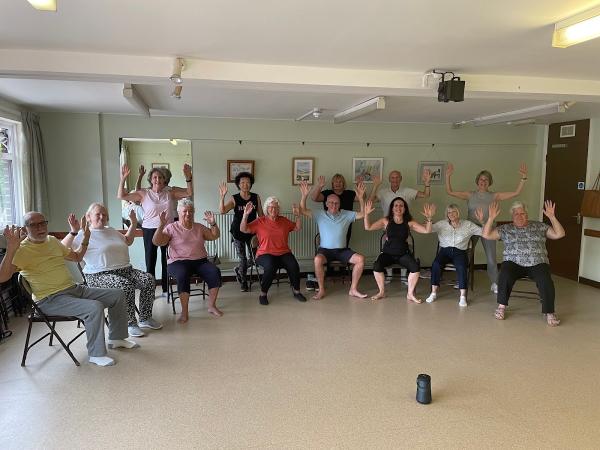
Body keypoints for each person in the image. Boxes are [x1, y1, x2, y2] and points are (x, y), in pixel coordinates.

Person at [0, 212, 138, 367]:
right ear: (25, 228)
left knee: (117, 295)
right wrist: (11, 248)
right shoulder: (21, 250)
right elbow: (2, 277)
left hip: (73, 289)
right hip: (49, 300)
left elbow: (77, 257)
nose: (40, 227)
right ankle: (96, 353)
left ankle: (117, 338)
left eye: (43, 223)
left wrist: (85, 237)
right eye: (33, 224)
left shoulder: (52, 241)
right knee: (94, 307)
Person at [62, 203, 162, 338]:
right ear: (89, 217)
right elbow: (61, 249)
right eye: (98, 214)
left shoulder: (110, 230)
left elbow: (127, 240)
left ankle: (145, 317)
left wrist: (133, 224)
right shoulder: (83, 233)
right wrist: (73, 231)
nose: (102, 217)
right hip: (98, 275)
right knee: (124, 286)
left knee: (148, 279)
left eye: (104, 214)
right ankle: (129, 323)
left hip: (126, 270)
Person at [478, 201, 565, 326]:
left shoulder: (539, 226)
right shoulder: (506, 228)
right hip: (513, 262)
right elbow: (486, 234)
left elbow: (560, 234)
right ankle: (501, 307)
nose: (519, 216)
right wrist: (491, 218)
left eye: (522, 213)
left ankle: (549, 312)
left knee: (545, 279)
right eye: (516, 214)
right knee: (505, 273)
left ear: (527, 214)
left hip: (538, 262)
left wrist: (552, 217)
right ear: (512, 216)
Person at [446, 162, 528, 294]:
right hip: (471, 228)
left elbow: (516, 193)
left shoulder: (494, 196)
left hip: (488, 228)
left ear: (489, 182)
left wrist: (523, 178)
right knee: (465, 255)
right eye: (481, 179)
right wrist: (448, 176)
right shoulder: (470, 194)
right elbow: (449, 191)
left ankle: (495, 283)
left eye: (486, 179)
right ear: (477, 181)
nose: (483, 181)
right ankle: (463, 281)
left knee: (491, 258)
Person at [118, 163, 193, 296]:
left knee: (167, 260)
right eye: (154, 177)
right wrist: (123, 178)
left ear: (164, 180)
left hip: (167, 229)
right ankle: (150, 291)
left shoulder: (170, 193)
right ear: (151, 180)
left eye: (160, 177)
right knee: (150, 260)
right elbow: (122, 196)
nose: (157, 179)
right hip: (149, 229)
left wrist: (188, 177)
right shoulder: (144, 194)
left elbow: (189, 192)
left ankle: (165, 289)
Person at [153, 199, 223, 324]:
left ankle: (212, 306)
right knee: (182, 274)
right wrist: (160, 225)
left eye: (190, 211)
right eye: (185, 211)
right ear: (179, 212)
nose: (188, 214)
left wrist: (213, 224)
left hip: (200, 261)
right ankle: (184, 312)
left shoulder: (199, 227)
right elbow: (157, 242)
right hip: (178, 262)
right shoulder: (171, 227)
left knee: (214, 271)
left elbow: (214, 236)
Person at [299, 180, 368, 300]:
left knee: (360, 259)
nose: (334, 205)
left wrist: (361, 198)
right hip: (325, 251)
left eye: (336, 203)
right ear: (326, 204)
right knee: (317, 260)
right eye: (331, 202)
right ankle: (321, 290)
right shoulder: (319, 214)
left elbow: (363, 214)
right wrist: (304, 196)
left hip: (342, 250)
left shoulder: (346, 214)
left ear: (339, 204)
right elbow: (303, 210)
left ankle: (353, 289)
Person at [364, 197, 435, 302]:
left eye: (401, 205)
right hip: (387, 253)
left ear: (405, 209)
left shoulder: (409, 222)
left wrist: (429, 219)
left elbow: (426, 231)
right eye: (396, 205)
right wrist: (366, 214)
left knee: (415, 268)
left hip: (403, 254)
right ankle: (381, 292)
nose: (398, 208)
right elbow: (368, 227)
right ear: (392, 208)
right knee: (377, 266)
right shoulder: (386, 221)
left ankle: (410, 294)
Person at [240, 197, 306, 305]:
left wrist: (298, 216)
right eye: (271, 207)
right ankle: (263, 294)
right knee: (271, 266)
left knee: (293, 265)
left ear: (278, 209)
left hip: (283, 252)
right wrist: (245, 215)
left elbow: (297, 228)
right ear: (266, 208)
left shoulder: (284, 220)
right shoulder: (260, 221)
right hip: (264, 253)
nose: (273, 209)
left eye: (276, 207)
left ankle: (297, 291)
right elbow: (243, 229)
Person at [368, 169, 431, 283]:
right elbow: (370, 201)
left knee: (405, 250)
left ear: (401, 179)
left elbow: (426, 195)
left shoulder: (407, 191)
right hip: (388, 228)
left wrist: (427, 183)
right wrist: (375, 186)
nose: (395, 180)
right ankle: (390, 275)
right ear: (389, 179)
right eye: (392, 177)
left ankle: (404, 276)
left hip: (405, 227)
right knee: (388, 251)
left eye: (397, 177)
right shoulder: (383, 192)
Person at [425, 204, 482, 307]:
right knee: (436, 264)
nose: (451, 214)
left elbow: (483, 232)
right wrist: (429, 218)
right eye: (449, 212)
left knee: (461, 267)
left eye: (453, 211)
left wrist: (482, 222)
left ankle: (463, 296)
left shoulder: (468, 224)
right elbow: (428, 230)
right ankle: (433, 293)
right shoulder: (442, 224)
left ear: (458, 212)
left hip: (460, 251)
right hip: (444, 250)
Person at [218, 172, 263, 292]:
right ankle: (244, 281)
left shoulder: (255, 197)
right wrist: (222, 197)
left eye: (248, 182)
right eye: (242, 182)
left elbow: (261, 215)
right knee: (243, 258)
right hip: (237, 232)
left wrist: (262, 231)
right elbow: (222, 211)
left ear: (251, 184)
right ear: (238, 184)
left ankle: (238, 270)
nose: (245, 184)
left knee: (255, 259)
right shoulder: (234, 198)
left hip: (252, 232)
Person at [311, 174, 357, 245]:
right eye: (335, 181)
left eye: (340, 182)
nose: (338, 183)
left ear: (344, 184)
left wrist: (359, 185)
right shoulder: (327, 193)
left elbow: (362, 197)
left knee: (343, 245)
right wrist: (319, 186)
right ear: (332, 183)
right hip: (328, 225)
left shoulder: (349, 194)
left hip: (345, 225)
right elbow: (314, 198)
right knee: (327, 246)